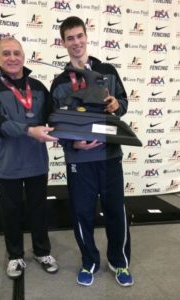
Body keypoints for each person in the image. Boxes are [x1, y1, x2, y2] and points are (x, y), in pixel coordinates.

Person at [50, 16, 133, 287]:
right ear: (63, 43)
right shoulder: (60, 82)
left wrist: (115, 105)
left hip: (109, 157)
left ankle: (119, 262)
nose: (76, 42)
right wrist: (70, 144)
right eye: (70, 38)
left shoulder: (107, 70)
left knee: (115, 212)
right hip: (79, 161)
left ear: (86, 36)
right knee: (82, 214)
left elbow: (123, 101)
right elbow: (55, 124)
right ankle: (90, 262)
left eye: (79, 36)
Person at [0, 37, 59, 279]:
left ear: (24, 57)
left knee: (38, 209)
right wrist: (29, 130)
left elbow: (54, 117)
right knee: (11, 211)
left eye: (16, 53)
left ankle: (41, 251)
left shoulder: (37, 87)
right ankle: (15, 256)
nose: (12, 58)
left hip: (36, 161)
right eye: (6, 53)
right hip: (7, 164)